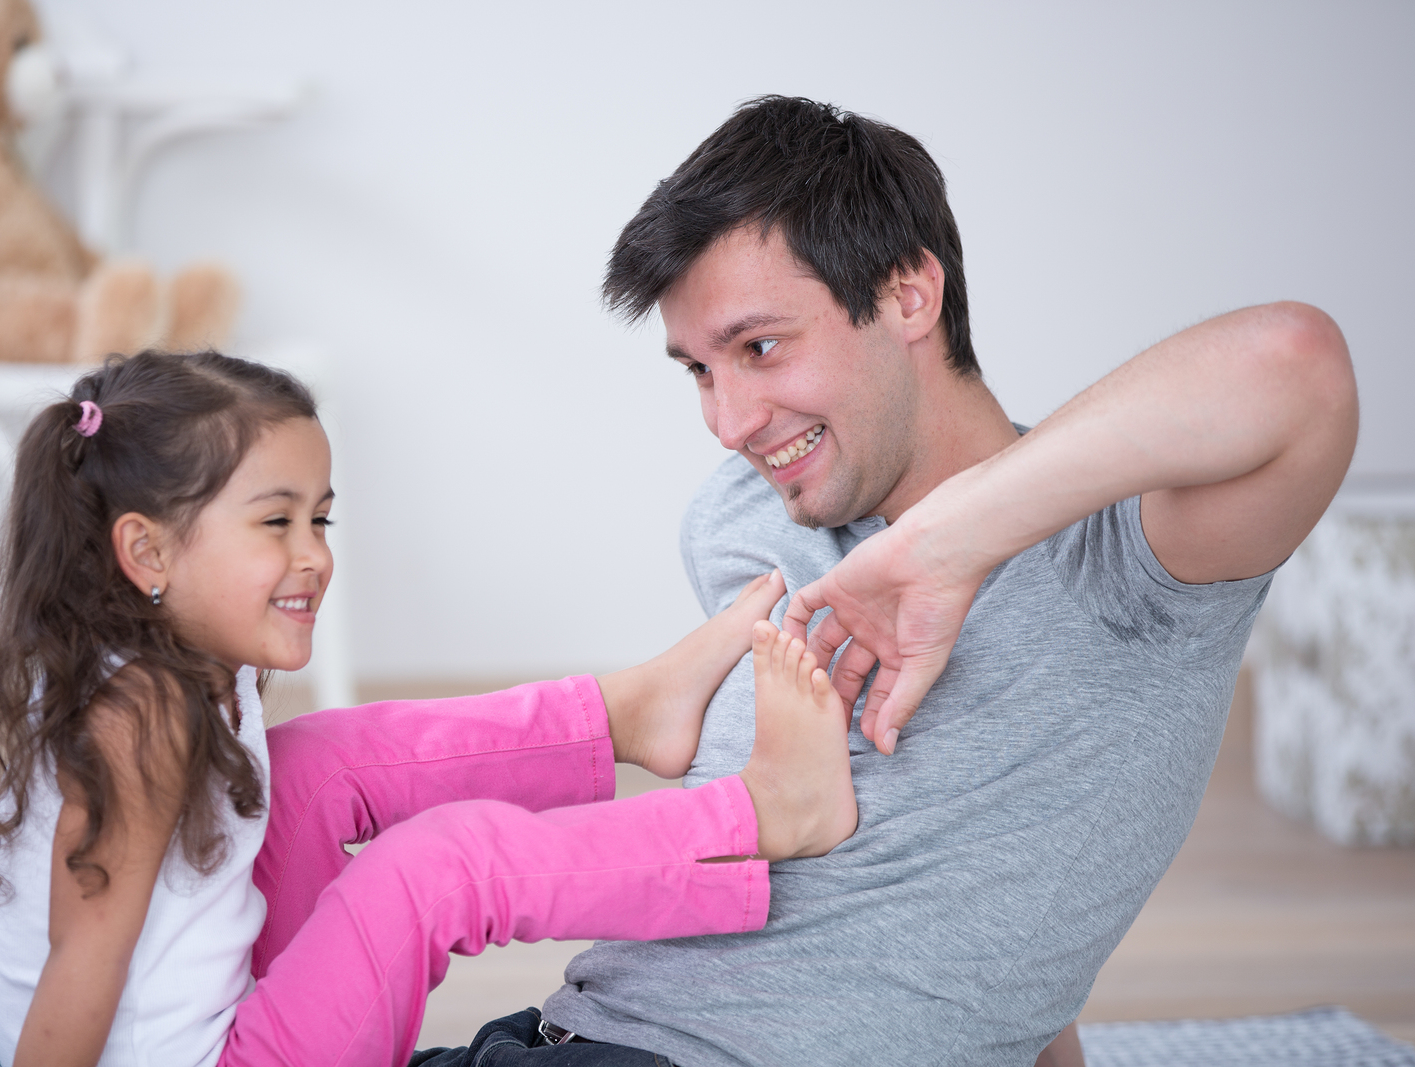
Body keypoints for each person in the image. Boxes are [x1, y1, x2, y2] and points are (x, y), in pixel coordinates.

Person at [420, 97, 1357, 1066]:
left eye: (759, 346)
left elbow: (1296, 364)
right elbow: (951, 891)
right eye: (698, 369)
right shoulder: (740, 522)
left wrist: (947, 543)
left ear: (910, 295)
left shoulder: (1126, 559)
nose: (730, 421)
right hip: (560, 1035)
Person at [0, 350, 862, 1067]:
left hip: (221, 1027)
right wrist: (2, 1036)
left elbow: (57, 899)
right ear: (147, 553)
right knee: (433, 870)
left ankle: (629, 713)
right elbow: (80, 954)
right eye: (274, 522)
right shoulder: (139, 717)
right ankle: (759, 815)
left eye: (319, 517)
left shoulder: (170, 658)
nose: (314, 553)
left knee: (315, 765)